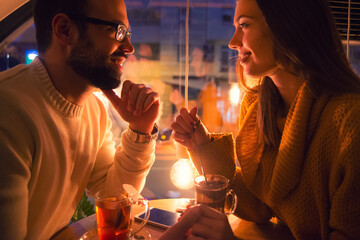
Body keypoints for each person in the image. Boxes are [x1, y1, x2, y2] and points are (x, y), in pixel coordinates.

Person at [169, 0, 360, 239]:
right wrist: (204, 145)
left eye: (244, 25)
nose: (233, 42)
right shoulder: (262, 108)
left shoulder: (350, 121)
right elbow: (260, 204)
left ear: (287, 25)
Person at [0, 0, 160, 238]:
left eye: (128, 34)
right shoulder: (9, 109)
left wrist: (140, 129)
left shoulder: (93, 109)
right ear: (65, 30)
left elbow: (113, 195)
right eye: (117, 31)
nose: (129, 47)